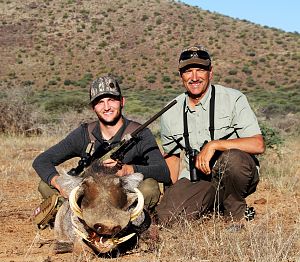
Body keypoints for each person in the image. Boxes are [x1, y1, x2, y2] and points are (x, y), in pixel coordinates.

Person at [32, 75, 170, 229]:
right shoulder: (84, 133)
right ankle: (78, 216)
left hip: (121, 196)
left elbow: (163, 171)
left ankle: (126, 223)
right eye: (100, 102)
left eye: (112, 100)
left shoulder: (141, 134)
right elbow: (41, 161)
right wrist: (58, 184)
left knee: (149, 187)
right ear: (93, 107)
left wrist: (129, 170)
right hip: (90, 194)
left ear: (122, 101)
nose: (106, 107)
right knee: (45, 185)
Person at [156, 45, 265, 226]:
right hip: (197, 178)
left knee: (233, 160)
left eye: (200, 70)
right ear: (181, 75)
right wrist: (172, 195)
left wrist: (214, 145)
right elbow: (172, 157)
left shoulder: (233, 98)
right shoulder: (170, 110)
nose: (195, 77)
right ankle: (211, 205)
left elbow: (258, 144)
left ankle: (235, 214)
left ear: (210, 72)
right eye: (188, 71)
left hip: (234, 174)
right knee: (167, 218)